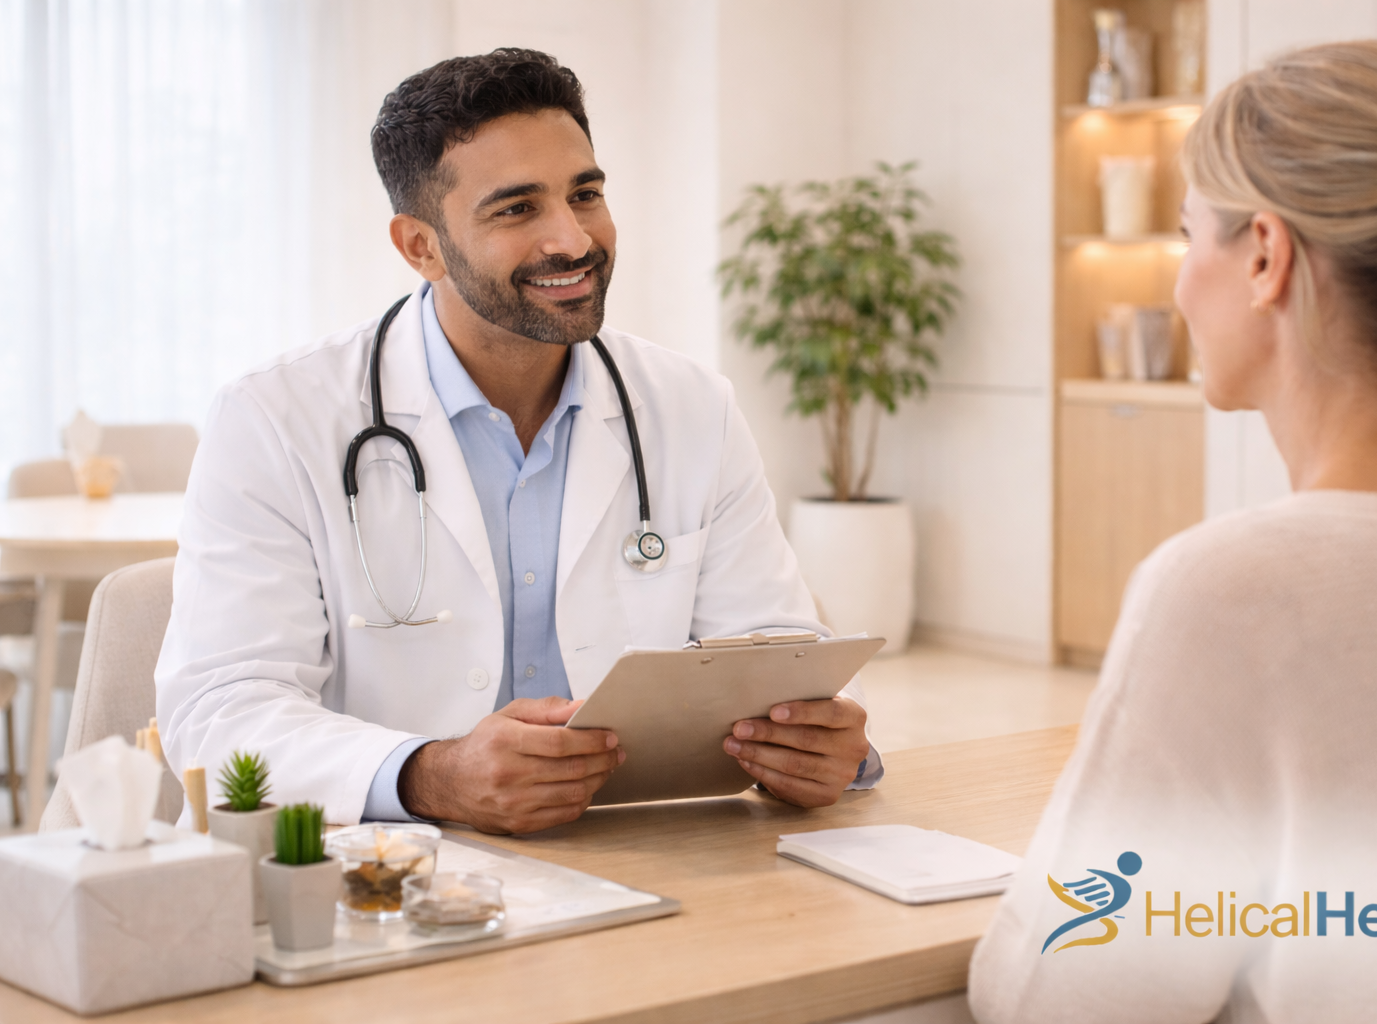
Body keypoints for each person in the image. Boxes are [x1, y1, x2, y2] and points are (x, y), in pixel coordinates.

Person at [155, 48, 879, 835]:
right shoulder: (274, 418)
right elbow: (219, 711)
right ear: (420, 246)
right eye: (516, 209)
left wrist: (813, 744)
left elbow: (778, 652)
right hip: (395, 877)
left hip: (642, 855)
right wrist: (431, 775)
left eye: (586, 193)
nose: (573, 240)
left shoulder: (689, 405)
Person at [969, 41, 1377, 1021]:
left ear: (1266, 256)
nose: (1181, 284)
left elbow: (1063, 999)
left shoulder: (1230, 590)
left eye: (1190, 236)